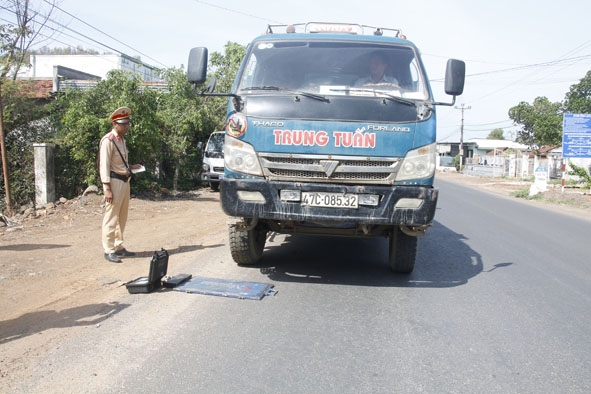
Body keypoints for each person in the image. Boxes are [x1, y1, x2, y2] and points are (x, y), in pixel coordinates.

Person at [99, 106, 141, 263]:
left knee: (122, 216)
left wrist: (131, 168)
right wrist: (107, 188)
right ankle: (108, 249)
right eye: (124, 124)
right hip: (114, 182)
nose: (127, 126)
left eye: (127, 123)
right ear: (115, 124)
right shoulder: (108, 141)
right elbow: (104, 165)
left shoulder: (122, 140)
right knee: (111, 216)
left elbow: (120, 163)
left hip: (124, 180)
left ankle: (118, 246)